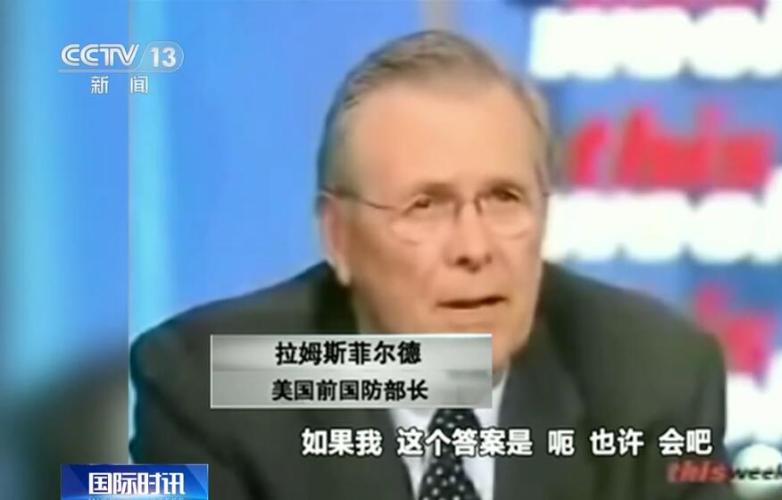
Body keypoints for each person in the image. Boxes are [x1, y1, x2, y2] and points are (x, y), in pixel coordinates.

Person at [130, 30, 732, 500]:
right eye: (425, 206)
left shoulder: (653, 380)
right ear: (338, 237)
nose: (474, 247)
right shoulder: (217, 383)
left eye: (504, 198)